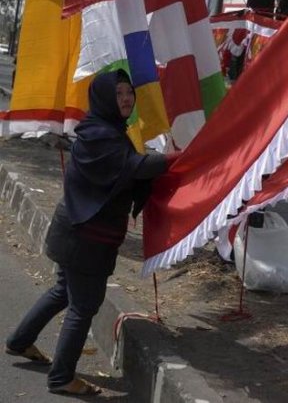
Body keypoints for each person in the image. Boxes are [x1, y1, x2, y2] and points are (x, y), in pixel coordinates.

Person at [4, 69, 177, 396]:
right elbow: (134, 168)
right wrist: (175, 160)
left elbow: (129, 168)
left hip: (75, 232)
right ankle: (61, 378)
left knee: (63, 292)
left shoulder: (105, 129)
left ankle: (19, 341)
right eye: (119, 94)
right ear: (103, 98)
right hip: (85, 239)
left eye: (129, 93)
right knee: (84, 305)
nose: (126, 99)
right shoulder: (101, 135)